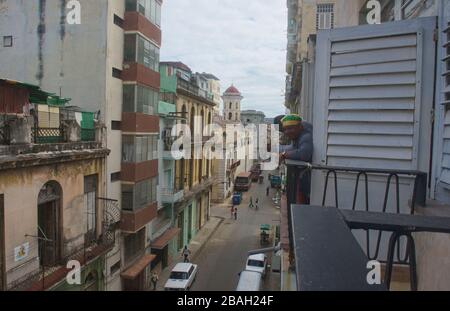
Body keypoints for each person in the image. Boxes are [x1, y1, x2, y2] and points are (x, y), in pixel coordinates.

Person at [279, 114, 313, 204]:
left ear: (300, 127)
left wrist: (285, 154)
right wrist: (279, 150)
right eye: (285, 129)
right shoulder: (298, 135)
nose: (287, 132)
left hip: (311, 178)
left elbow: (304, 154)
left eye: (290, 128)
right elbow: (292, 148)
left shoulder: (306, 136)